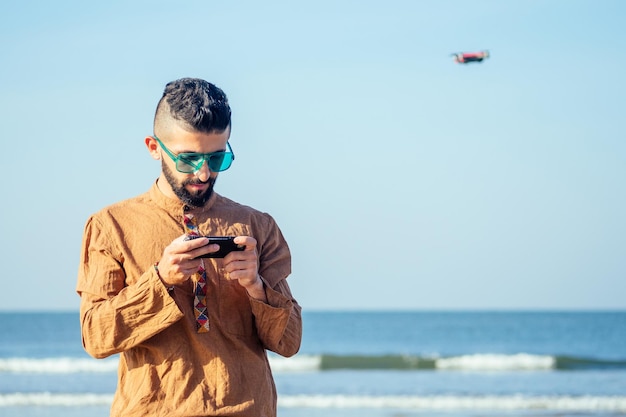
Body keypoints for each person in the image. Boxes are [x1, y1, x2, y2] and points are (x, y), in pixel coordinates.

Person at [76, 77, 302, 417]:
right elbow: (96, 337)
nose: (203, 173)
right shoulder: (112, 226)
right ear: (154, 148)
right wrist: (160, 280)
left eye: (216, 158)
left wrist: (257, 288)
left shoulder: (258, 226)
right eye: (188, 159)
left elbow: (289, 342)